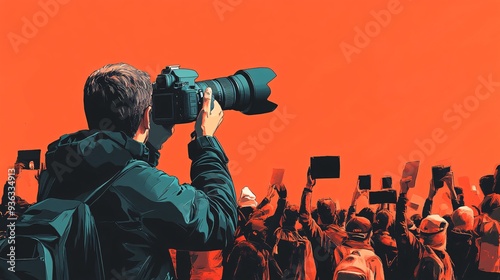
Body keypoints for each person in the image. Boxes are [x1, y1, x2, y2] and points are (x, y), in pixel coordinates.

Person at [36, 63, 238, 279]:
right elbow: (219, 222)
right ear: (148, 115)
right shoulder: (135, 184)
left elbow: (124, 206)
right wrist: (205, 141)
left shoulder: (59, 170)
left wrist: (149, 148)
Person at [396, 177, 455, 280]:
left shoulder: (418, 251)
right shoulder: (446, 258)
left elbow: (402, 230)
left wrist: (403, 194)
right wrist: (430, 197)